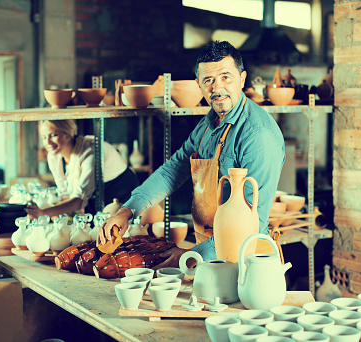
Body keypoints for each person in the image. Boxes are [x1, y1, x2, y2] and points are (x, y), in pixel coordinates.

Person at [98, 40, 285, 267]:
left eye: (226, 77)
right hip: (209, 252)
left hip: (247, 259)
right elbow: (173, 170)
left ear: (242, 79)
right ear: (199, 84)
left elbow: (250, 223)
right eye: (208, 80)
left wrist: (191, 255)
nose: (217, 88)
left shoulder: (258, 135)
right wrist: (127, 211)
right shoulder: (208, 124)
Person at [25, 119, 140, 218]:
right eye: (44, 137)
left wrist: (44, 212)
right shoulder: (54, 156)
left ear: (68, 134)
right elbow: (64, 193)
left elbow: (79, 199)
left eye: (54, 135)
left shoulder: (90, 151)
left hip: (121, 187)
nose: (48, 142)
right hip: (95, 193)